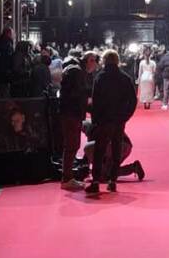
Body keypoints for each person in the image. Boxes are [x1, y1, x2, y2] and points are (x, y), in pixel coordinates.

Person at [86, 50, 137, 195]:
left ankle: (95, 182)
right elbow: (133, 100)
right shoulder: (125, 78)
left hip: (103, 120)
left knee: (99, 151)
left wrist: (96, 120)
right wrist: (125, 116)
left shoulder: (100, 78)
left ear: (104, 60)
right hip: (119, 120)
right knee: (116, 151)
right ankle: (112, 181)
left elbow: (95, 101)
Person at [58, 50, 97, 191]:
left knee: (72, 145)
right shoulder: (78, 72)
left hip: (69, 112)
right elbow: (77, 95)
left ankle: (67, 177)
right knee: (71, 145)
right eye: (94, 61)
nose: (95, 66)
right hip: (72, 113)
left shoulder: (73, 69)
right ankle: (67, 178)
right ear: (89, 60)